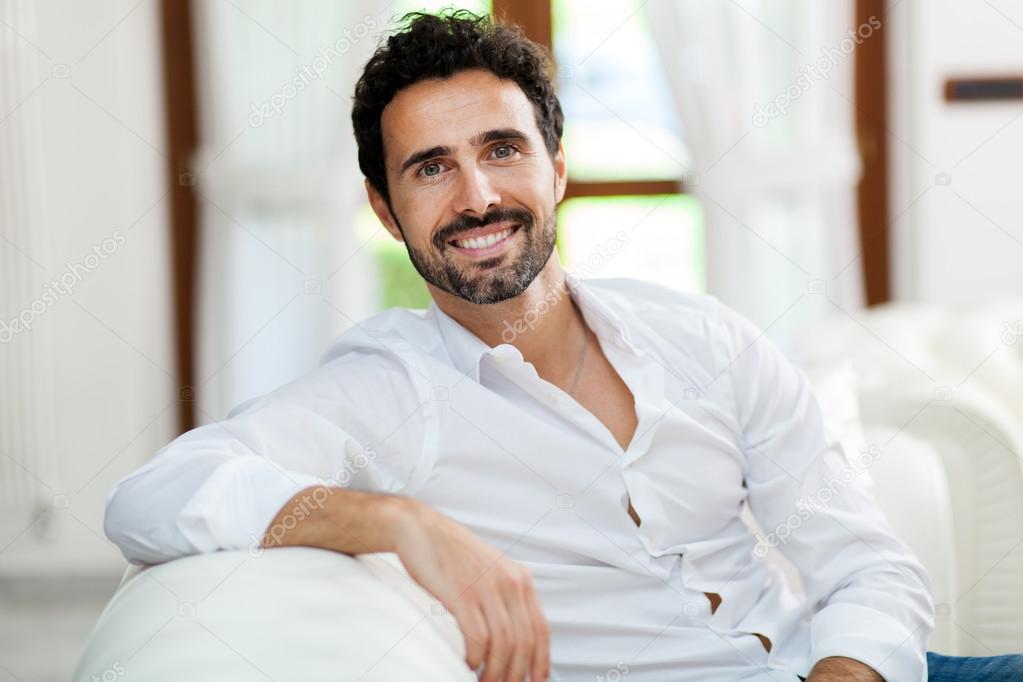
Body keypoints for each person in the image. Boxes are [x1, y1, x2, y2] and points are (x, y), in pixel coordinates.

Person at [104, 10, 1023, 682]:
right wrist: (396, 522)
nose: (475, 197)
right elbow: (152, 498)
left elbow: (865, 563)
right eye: (431, 168)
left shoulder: (703, 337)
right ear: (385, 212)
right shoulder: (388, 389)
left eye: (501, 149)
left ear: (557, 167)